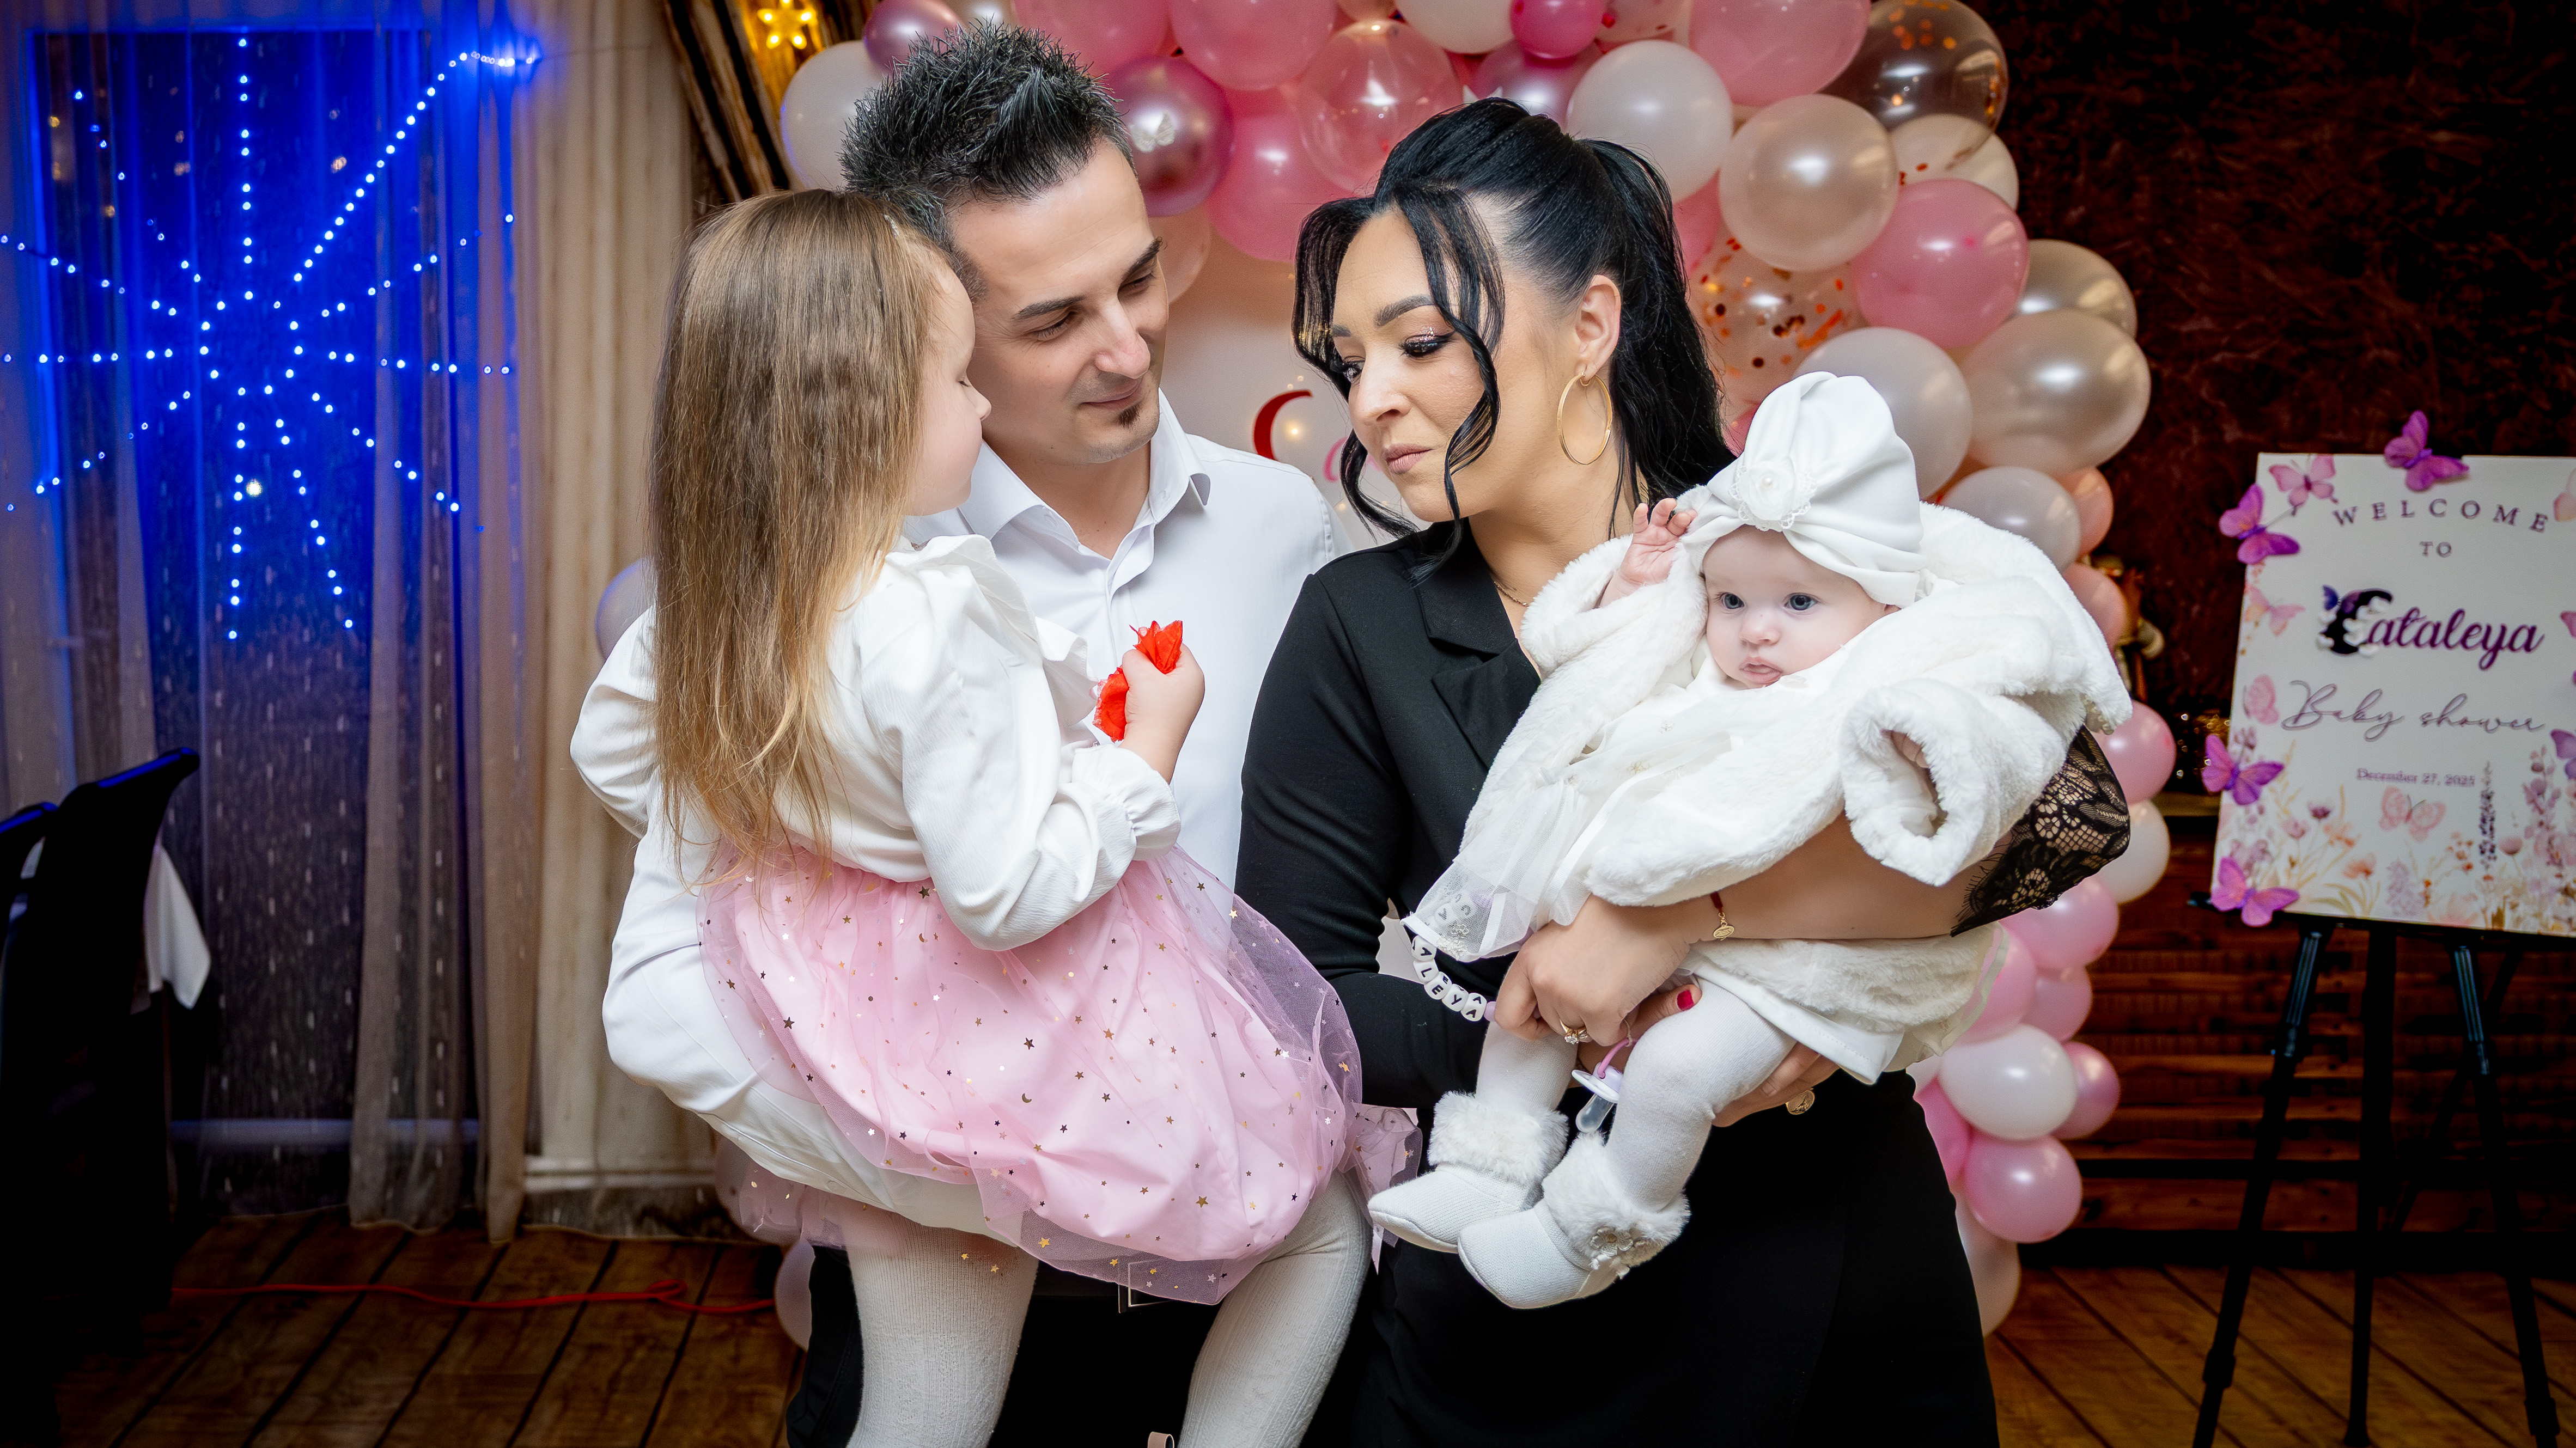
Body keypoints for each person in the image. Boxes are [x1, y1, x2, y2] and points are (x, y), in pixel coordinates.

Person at [1239, 98, 2132, 1443]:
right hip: (1519, 1311)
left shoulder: (1788, 532)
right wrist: (1575, 1029)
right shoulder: (1361, 624)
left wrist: (1676, 919)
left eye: (1420, 345)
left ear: (1590, 325)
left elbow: (2061, 813)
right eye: (1349, 360)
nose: (1371, 402)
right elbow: (1292, 1001)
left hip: (1828, 1253)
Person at [573, 188, 1372, 1448]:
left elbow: (616, 753)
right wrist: (1139, 759)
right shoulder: (941, 607)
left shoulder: (726, 615)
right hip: (1018, 1044)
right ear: (866, 409)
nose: (981, 409)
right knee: (1318, 1219)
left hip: (864, 1040)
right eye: (957, 379)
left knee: (921, 1420)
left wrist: (811, 835)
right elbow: (1004, 893)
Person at [1373, 373, 2131, 1309]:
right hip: (1633, 929)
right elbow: (1607, 663)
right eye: (1729, 601)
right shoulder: (1702, 656)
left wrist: (1931, 740)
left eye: (1799, 605)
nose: (1756, 632)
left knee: (1677, 1071)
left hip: (1792, 968)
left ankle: (1592, 1232)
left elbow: (2017, 761)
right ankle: (1485, 1165)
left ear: (1885, 607)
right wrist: (1634, 587)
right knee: (1530, 997)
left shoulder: (1896, 675)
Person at [850, 24, 1335, 888]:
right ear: (930, 331)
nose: (1129, 351)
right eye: (1056, 322)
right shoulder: (861, 577)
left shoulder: (1283, 525)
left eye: (1139, 281)